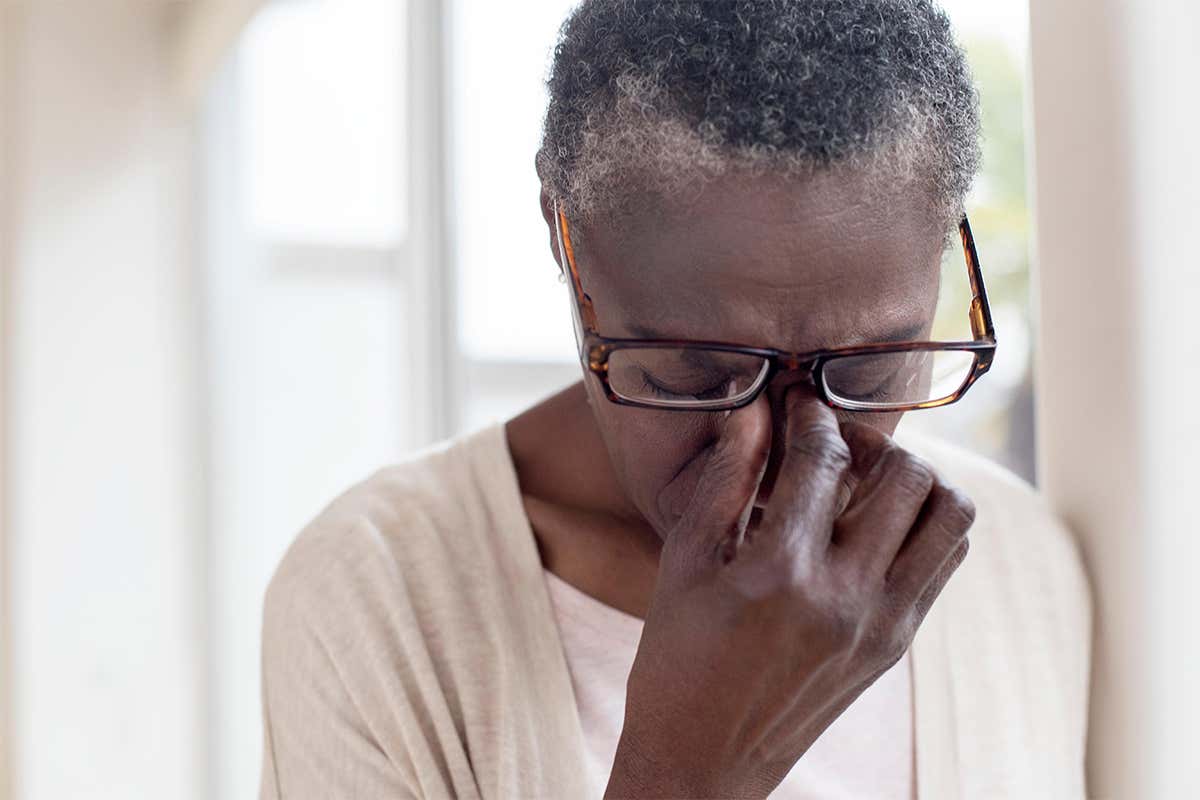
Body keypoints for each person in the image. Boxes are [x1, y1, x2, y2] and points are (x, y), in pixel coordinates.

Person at [259, 2, 1092, 798]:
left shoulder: (1017, 567)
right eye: (696, 376)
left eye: (868, 373)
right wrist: (687, 769)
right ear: (567, 239)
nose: (795, 461)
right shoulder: (380, 597)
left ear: (946, 256)